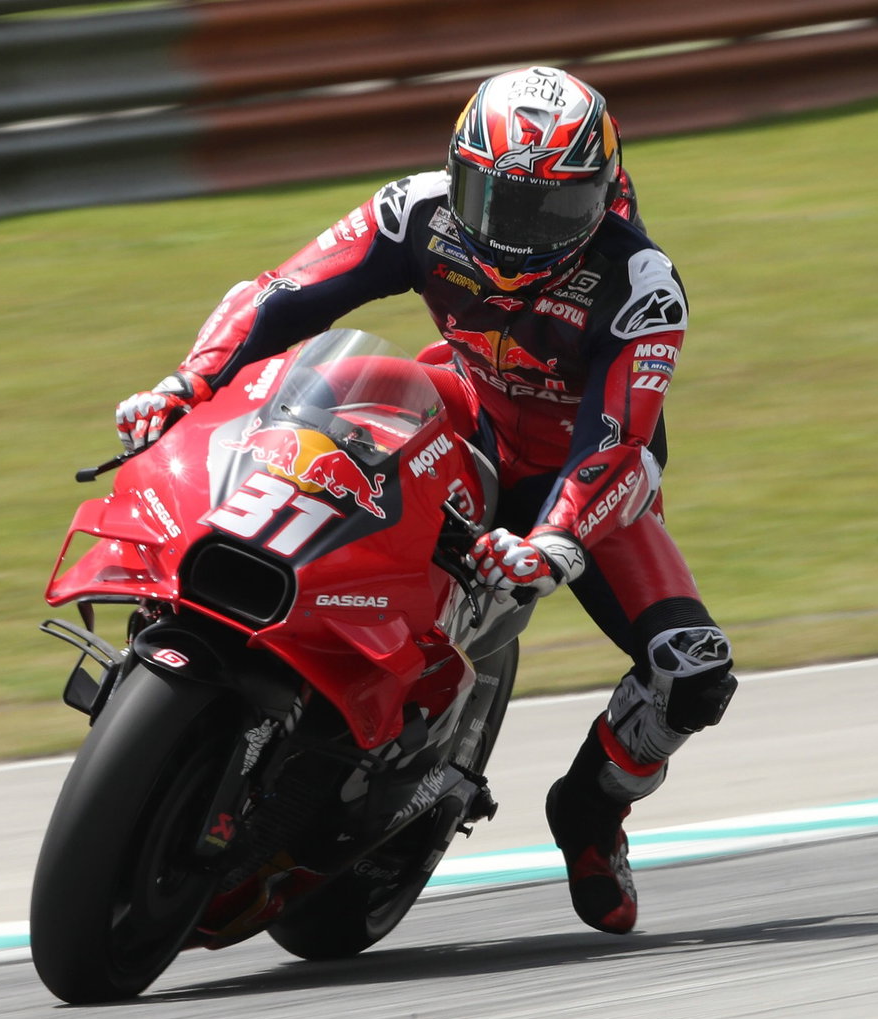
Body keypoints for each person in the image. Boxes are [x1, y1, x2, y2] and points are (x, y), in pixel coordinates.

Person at [114, 66, 737, 935]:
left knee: (693, 671)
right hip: (461, 412)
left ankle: (590, 812)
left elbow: (617, 446)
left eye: (550, 211)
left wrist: (556, 538)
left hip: (575, 482)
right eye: (497, 202)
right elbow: (280, 295)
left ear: (604, 195)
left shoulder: (640, 284)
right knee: (310, 396)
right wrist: (189, 381)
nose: (516, 235)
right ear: (458, 171)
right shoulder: (416, 209)